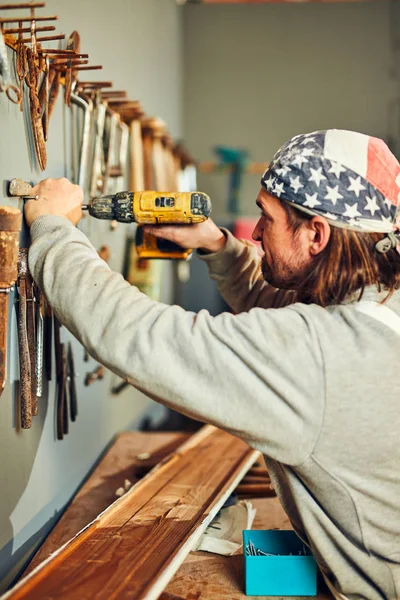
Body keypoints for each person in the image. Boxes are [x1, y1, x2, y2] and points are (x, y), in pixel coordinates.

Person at [25, 129, 400, 600]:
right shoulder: (379, 303)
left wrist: (54, 229)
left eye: (267, 217)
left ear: (317, 234)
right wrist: (216, 245)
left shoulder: (320, 354)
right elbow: (280, 311)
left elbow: (142, 337)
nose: (256, 232)